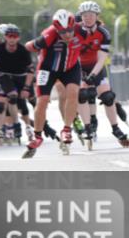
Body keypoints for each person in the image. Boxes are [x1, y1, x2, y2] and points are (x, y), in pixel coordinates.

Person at [22, 10, 84, 158]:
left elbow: (96, 33)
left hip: (70, 68)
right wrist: (34, 45)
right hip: (47, 70)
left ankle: (67, 130)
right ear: (57, 29)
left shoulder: (81, 31)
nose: (67, 35)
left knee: (73, 93)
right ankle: (37, 136)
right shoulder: (49, 35)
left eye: (69, 30)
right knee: (42, 101)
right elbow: (28, 47)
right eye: (63, 32)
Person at [75, 0, 129, 148]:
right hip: (78, 66)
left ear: (96, 16)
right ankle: (88, 127)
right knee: (82, 94)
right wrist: (80, 73)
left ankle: (115, 129)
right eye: (84, 15)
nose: (87, 18)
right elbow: (70, 53)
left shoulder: (103, 33)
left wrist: (93, 75)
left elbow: (102, 58)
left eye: (91, 15)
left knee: (108, 97)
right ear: (80, 16)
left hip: (97, 66)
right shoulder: (74, 30)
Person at [0, 24, 36, 145]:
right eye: (9, 36)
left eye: (15, 36)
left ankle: (31, 126)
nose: (12, 39)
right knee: (12, 97)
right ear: (5, 37)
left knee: (25, 100)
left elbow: (31, 71)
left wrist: (27, 88)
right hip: (5, 75)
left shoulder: (23, 50)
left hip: (21, 76)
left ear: (18, 38)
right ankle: (16, 124)